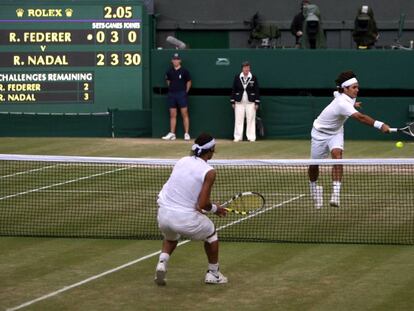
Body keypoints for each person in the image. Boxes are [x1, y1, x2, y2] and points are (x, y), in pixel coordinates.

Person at [308, 71, 390, 208]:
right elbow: (361, 118)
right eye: (354, 87)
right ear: (345, 89)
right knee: (314, 166)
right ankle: (314, 188)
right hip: (319, 134)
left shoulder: (346, 95)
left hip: (336, 132)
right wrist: (380, 125)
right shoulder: (342, 103)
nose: (357, 90)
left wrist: (354, 104)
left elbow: (336, 93)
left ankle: (335, 194)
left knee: (337, 156)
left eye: (357, 87)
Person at [155, 133, 228, 285]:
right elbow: (203, 204)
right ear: (211, 151)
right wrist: (216, 209)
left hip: (163, 215)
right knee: (211, 234)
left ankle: (162, 262)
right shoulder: (209, 172)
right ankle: (213, 274)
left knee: (171, 236)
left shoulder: (182, 160)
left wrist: (196, 204)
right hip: (184, 219)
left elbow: (181, 188)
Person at [162, 53, 192, 141]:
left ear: (180, 61)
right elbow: (168, 82)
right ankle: (172, 134)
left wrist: (184, 92)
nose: (175, 61)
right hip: (172, 94)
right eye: (174, 59)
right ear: (172, 61)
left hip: (181, 94)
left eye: (177, 59)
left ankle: (186, 133)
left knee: (184, 114)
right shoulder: (169, 71)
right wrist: (172, 89)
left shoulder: (185, 71)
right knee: (172, 114)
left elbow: (189, 82)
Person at [230, 61, 260, 142]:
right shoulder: (237, 77)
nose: (246, 69)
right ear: (242, 68)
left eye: (247, 67)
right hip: (239, 102)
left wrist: (257, 102)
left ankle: (251, 137)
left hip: (251, 102)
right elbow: (234, 89)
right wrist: (232, 101)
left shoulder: (253, 77)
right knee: (238, 119)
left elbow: (257, 90)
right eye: (245, 67)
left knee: (251, 119)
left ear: (249, 68)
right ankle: (238, 137)